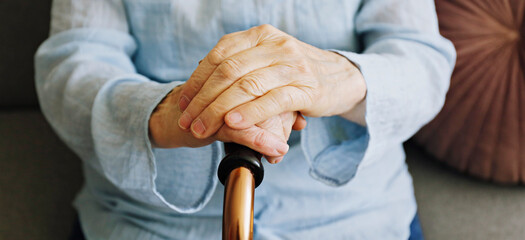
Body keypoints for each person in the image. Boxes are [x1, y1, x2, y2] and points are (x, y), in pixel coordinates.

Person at [35, 0, 455, 239]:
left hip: (355, 220)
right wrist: (179, 111)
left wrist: (330, 78)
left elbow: (421, 62)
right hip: (146, 223)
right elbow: (73, 64)